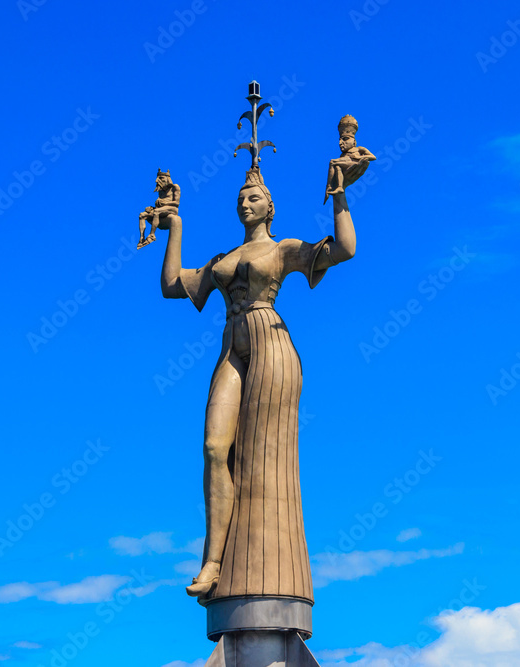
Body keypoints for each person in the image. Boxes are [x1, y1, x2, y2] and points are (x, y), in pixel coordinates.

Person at [159, 166, 357, 602]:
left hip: (270, 341)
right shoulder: (221, 260)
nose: (244, 203)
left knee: (262, 453)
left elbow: (344, 248)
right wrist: (175, 224)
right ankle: (213, 561)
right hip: (231, 344)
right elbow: (173, 286)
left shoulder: (283, 249)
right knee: (215, 449)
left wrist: (339, 195)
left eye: (252, 198)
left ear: (270, 206)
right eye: (240, 198)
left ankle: (265, 566)